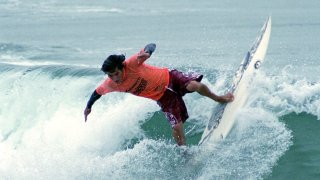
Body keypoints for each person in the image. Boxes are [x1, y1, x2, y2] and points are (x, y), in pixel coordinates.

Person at [84, 43, 234, 146]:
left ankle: (219, 98)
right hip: (163, 97)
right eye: (111, 76)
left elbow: (152, 45)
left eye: (116, 73)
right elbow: (97, 93)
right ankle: (184, 153)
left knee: (194, 85)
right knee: (176, 127)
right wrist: (88, 107)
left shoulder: (132, 63)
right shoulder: (110, 84)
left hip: (170, 78)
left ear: (121, 67)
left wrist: (147, 52)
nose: (115, 78)